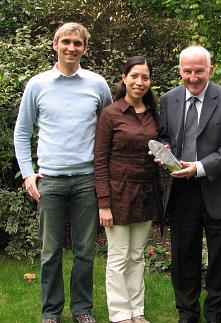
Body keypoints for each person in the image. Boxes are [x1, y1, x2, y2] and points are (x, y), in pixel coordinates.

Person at [14, 22, 112, 323]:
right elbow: (21, 133)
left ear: (84, 48)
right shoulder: (38, 85)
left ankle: (82, 310)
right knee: (50, 251)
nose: (71, 47)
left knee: (85, 251)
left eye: (78, 43)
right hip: (50, 181)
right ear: (55, 44)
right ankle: (51, 312)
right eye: (66, 41)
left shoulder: (97, 84)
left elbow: (109, 129)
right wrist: (28, 174)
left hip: (86, 180)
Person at [157, 45, 221, 323]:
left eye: (199, 71)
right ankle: (187, 314)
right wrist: (164, 151)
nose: (193, 77)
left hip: (219, 189)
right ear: (180, 70)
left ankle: (215, 316)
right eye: (187, 71)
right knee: (184, 257)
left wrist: (199, 168)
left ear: (210, 70)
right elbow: (163, 135)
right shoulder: (169, 99)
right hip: (182, 191)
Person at [94, 56, 162, 323]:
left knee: (136, 256)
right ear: (124, 78)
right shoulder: (111, 114)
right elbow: (100, 160)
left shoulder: (153, 113)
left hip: (145, 193)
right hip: (118, 194)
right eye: (134, 76)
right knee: (119, 256)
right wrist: (104, 202)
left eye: (145, 77)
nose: (139, 82)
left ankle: (137, 311)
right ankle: (120, 314)